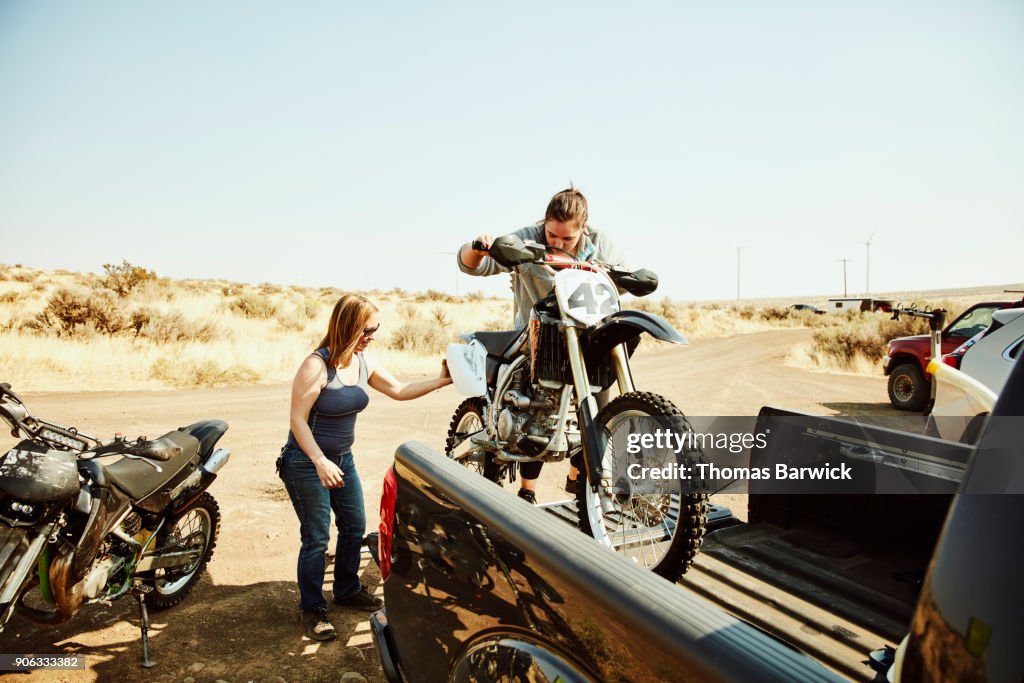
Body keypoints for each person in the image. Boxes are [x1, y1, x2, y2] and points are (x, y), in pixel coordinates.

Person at [278, 293, 453, 641]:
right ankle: (312, 608)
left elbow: (400, 390)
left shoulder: (362, 361)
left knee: (355, 526)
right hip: (305, 461)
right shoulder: (316, 366)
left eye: (376, 328)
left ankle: (346, 588)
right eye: (368, 329)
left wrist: (442, 380)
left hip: (342, 458)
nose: (373, 335)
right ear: (350, 327)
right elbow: (297, 420)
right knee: (316, 537)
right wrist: (319, 460)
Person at [456, 186, 628, 504]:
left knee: (597, 408)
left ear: (584, 229)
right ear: (544, 223)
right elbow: (475, 265)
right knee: (537, 413)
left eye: (567, 239)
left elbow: (616, 285)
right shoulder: (529, 236)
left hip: (585, 335)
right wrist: (478, 247)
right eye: (552, 235)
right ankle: (527, 491)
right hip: (538, 337)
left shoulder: (602, 243)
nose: (558, 243)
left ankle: (581, 483)